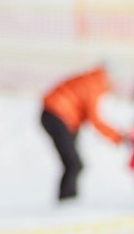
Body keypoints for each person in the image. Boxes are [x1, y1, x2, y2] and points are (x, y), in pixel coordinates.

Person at [40, 66, 124, 201]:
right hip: (57, 116)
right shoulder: (94, 85)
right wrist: (117, 137)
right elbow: (95, 119)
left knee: (73, 164)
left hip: (62, 117)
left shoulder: (91, 79)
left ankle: (68, 200)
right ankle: (67, 203)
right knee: (74, 164)